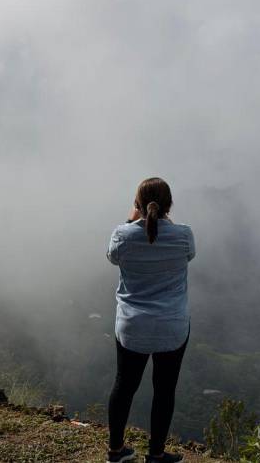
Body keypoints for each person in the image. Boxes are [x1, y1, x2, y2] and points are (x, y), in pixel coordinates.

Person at [105, 177, 195, 463]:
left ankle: (116, 451)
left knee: (124, 385)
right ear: (169, 205)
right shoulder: (184, 235)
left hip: (132, 326)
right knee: (164, 390)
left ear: (137, 205)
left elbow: (112, 257)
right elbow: (188, 254)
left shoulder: (122, 235)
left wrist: (131, 220)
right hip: (172, 326)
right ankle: (156, 454)